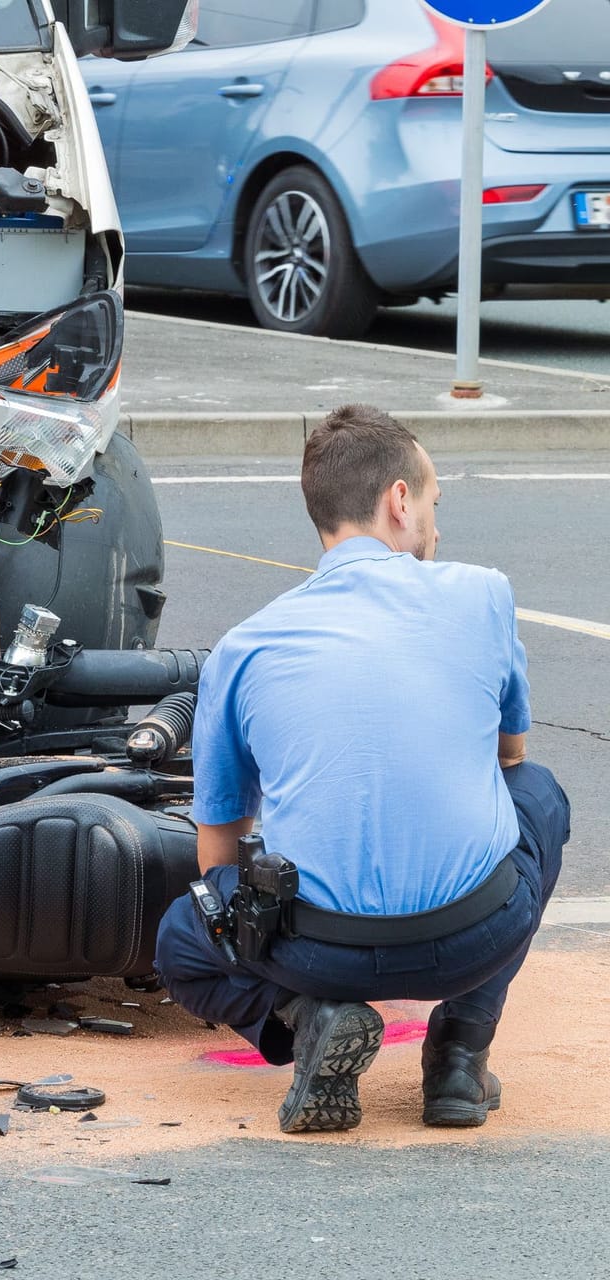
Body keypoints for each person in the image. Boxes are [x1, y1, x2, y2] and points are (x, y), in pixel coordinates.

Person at [154, 404, 570, 1134]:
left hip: (316, 953)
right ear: (399, 501)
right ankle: (459, 1059)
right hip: (477, 935)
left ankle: (308, 1017)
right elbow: (511, 759)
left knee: (180, 937)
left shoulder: (242, 648)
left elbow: (217, 854)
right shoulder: (481, 595)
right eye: (435, 502)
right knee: (538, 797)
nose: (437, 528)